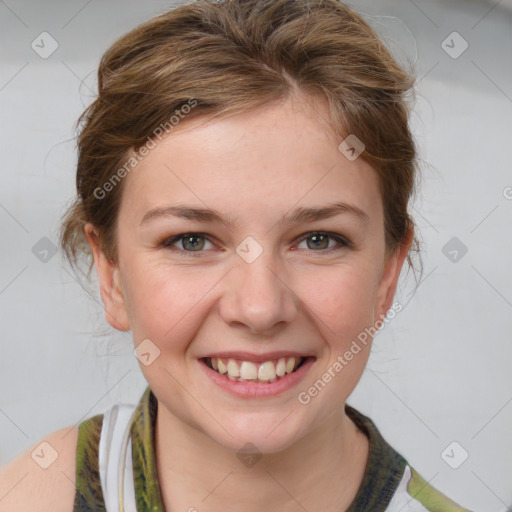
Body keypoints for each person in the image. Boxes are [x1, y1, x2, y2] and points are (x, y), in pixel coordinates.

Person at [0, 0, 476, 510]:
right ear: (111, 274)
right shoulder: (37, 495)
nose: (259, 308)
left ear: (386, 274)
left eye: (318, 239)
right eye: (191, 241)